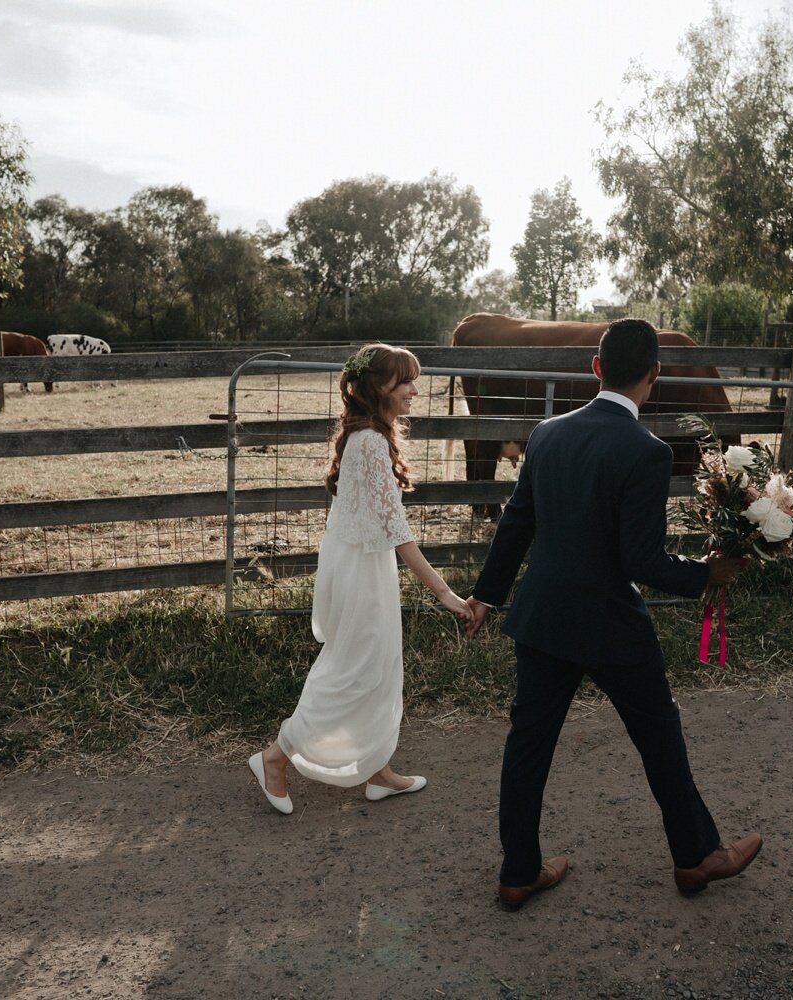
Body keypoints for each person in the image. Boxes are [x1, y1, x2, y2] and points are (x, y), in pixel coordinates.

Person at [463, 318, 762, 911]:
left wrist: (486, 597)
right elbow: (642, 559)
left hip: (542, 615)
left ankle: (518, 871)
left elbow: (517, 523)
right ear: (655, 374)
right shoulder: (646, 452)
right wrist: (705, 574)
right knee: (658, 732)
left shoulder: (545, 434)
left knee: (529, 744)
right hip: (609, 623)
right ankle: (696, 856)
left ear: (595, 369)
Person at [249, 344, 473, 814]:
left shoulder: (368, 436)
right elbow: (398, 533)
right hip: (362, 571)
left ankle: (378, 772)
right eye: (405, 381)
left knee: (377, 667)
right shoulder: (370, 443)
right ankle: (275, 756)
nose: (415, 390)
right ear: (378, 386)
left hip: (360, 563)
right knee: (352, 672)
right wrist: (447, 594)